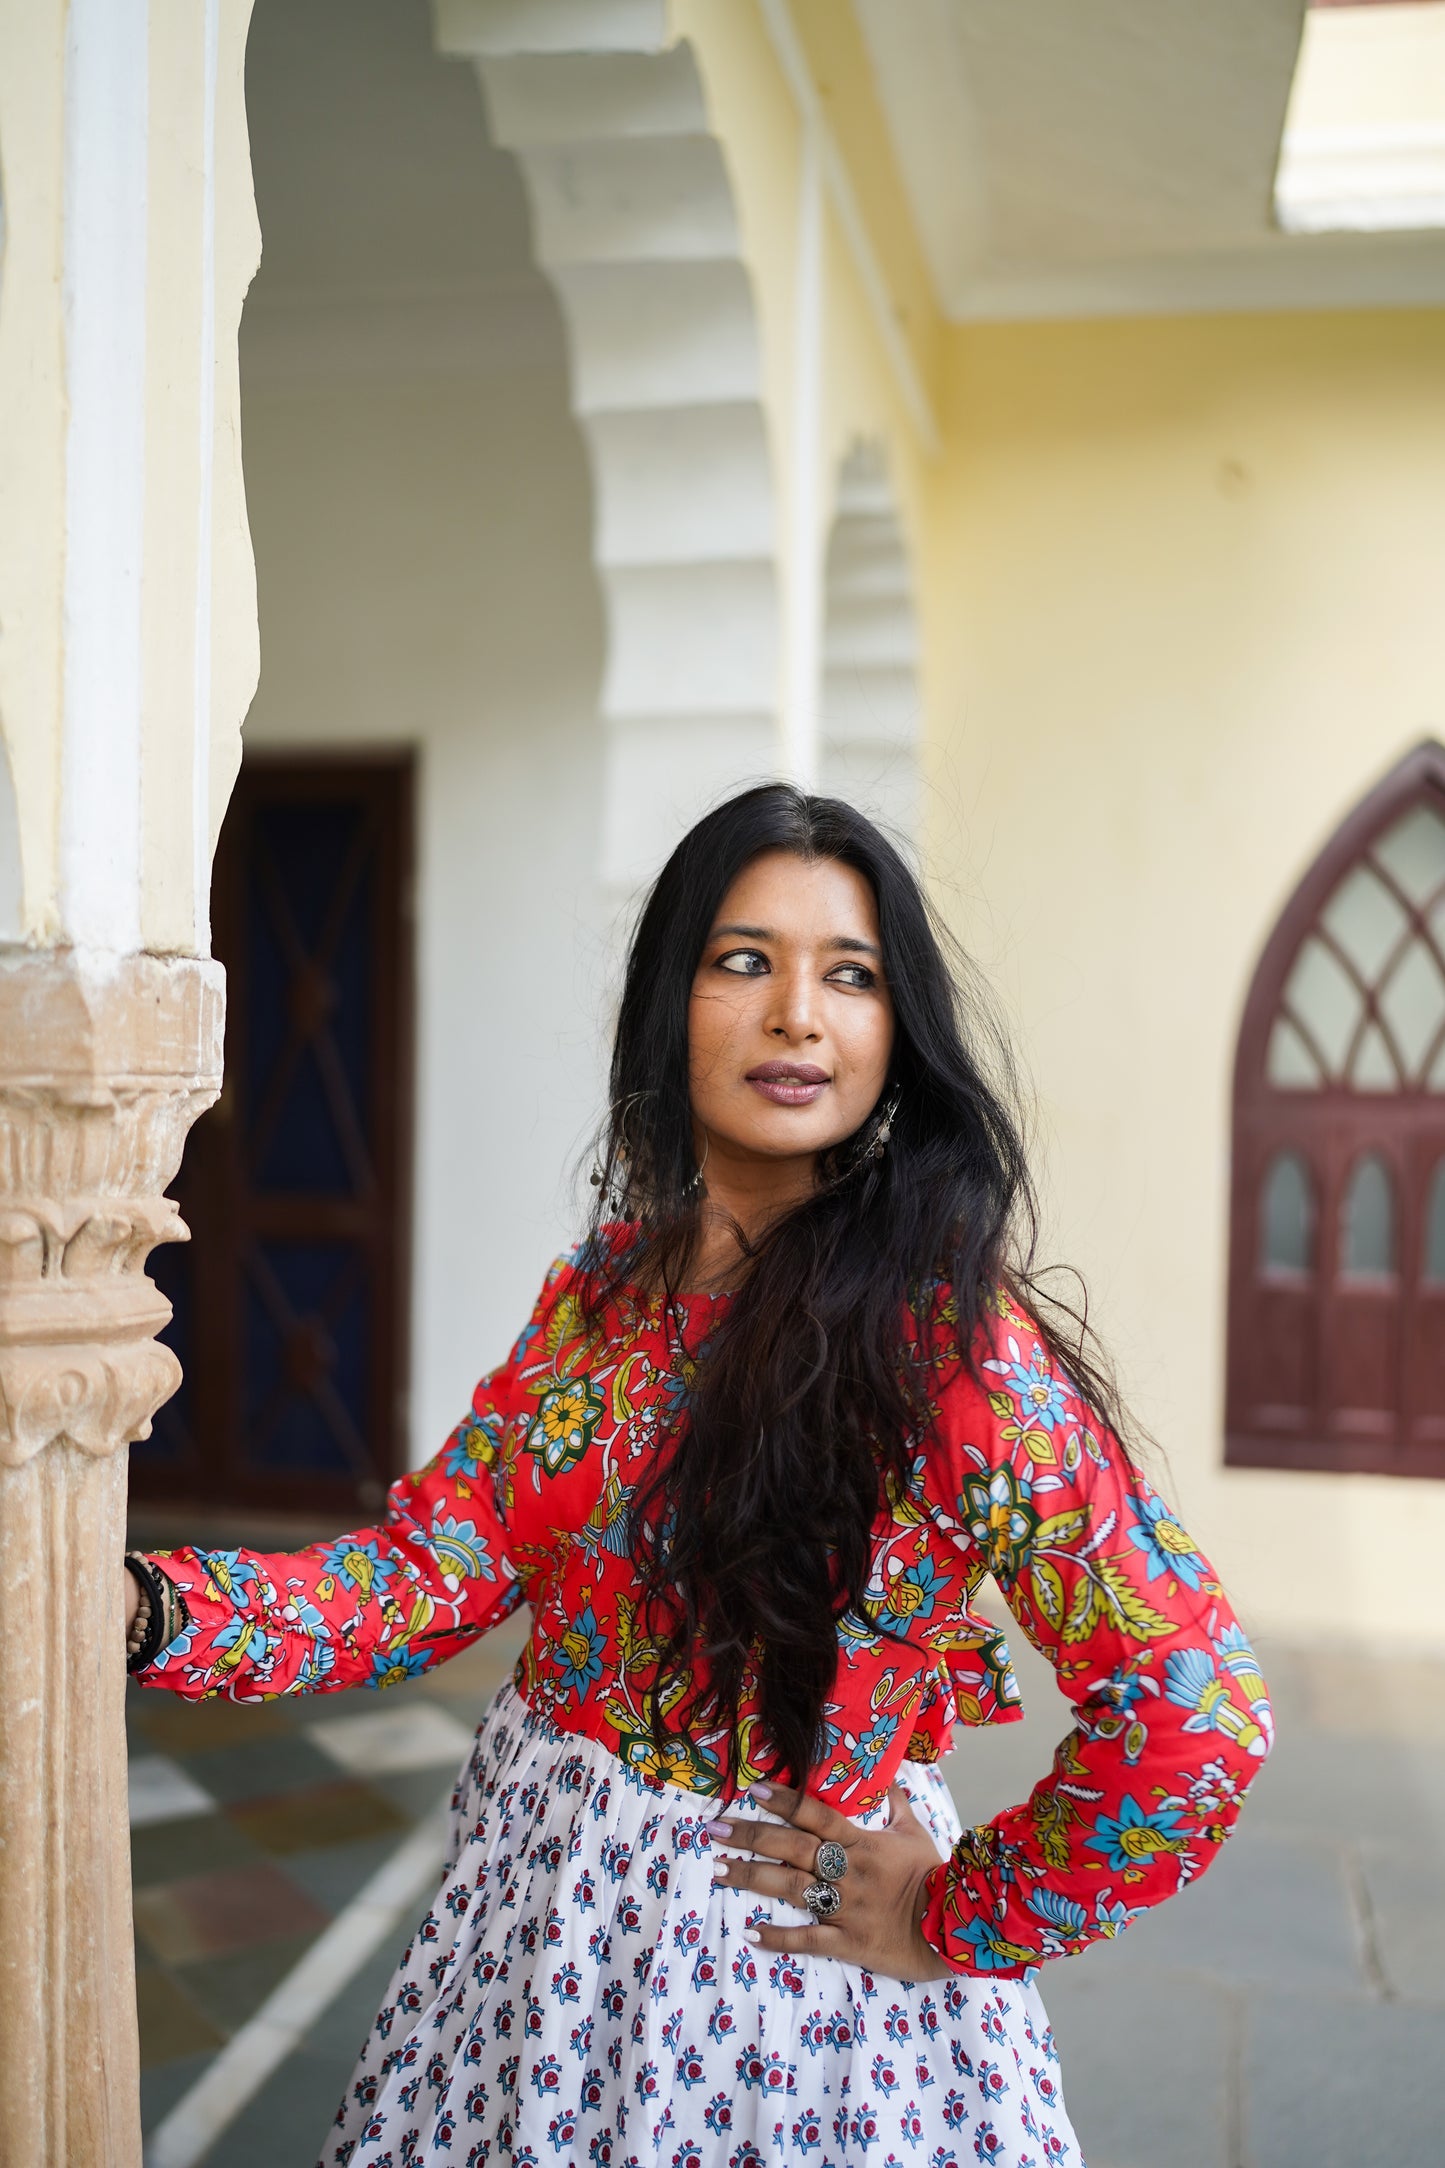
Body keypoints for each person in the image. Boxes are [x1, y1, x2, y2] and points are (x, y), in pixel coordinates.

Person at [125, 785, 1273, 2168]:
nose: (797, 1014)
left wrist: (967, 1913)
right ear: (670, 1002)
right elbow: (427, 1573)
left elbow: (1193, 1704)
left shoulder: (941, 1346)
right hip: (531, 1951)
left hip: (777, 1987)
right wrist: (148, 1613)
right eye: (744, 961)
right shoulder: (595, 1299)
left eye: (848, 976)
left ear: (893, 1033)